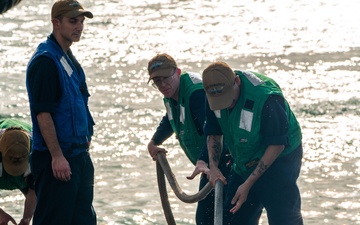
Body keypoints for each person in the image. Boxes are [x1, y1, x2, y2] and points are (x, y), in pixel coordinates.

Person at [202, 61, 303, 225]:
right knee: (234, 215)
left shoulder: (267, 98)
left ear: (237, 81)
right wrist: (213, 167)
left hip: (280, 157)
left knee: (283, 217)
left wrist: (248, 183)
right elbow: (214, 133)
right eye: (218, 100)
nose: (226, 104)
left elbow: (277, 144)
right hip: (244, 157)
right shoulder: (212, 95)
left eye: (228, 98)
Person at [25, 0, 96, 224]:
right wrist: (56, 156)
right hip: (58, 158)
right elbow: (42, 113)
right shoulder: (45, 61)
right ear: (56, 23)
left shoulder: (67, 57)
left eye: (82, 21)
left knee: (84, 219)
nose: (79, 26)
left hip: (78, 156)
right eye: (73, 21)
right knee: (53, 219)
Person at [146, 53, 237, 224]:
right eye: (157, 81)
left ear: (178, 72)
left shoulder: (196, 94)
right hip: (207, 166)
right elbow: (171, 117)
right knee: (205, 219)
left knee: (224, 218)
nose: (163, 84)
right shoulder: (172, 94)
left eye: (166, 78)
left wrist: (203, 160)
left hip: (225, 162)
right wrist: (154, 142)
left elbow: (214, 131)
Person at [0, 118, 36, 225]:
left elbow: (33, 192)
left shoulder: (38, 153)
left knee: (46, 206)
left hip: (30, 157)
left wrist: (26, 219)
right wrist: (1, 215)